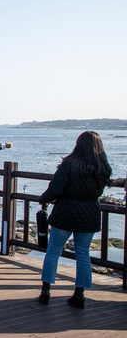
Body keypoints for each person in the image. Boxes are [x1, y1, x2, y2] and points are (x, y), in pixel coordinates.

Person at [38, 131, 125, 308]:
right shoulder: (103, 166)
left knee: (53, 251)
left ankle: (46, 291)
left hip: (66, 211)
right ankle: (80, 294)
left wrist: (44, 198)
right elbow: (101, 190)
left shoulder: (69, 164)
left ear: (78, 144)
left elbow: (55, 188)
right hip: (90, 212)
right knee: (83, 255)